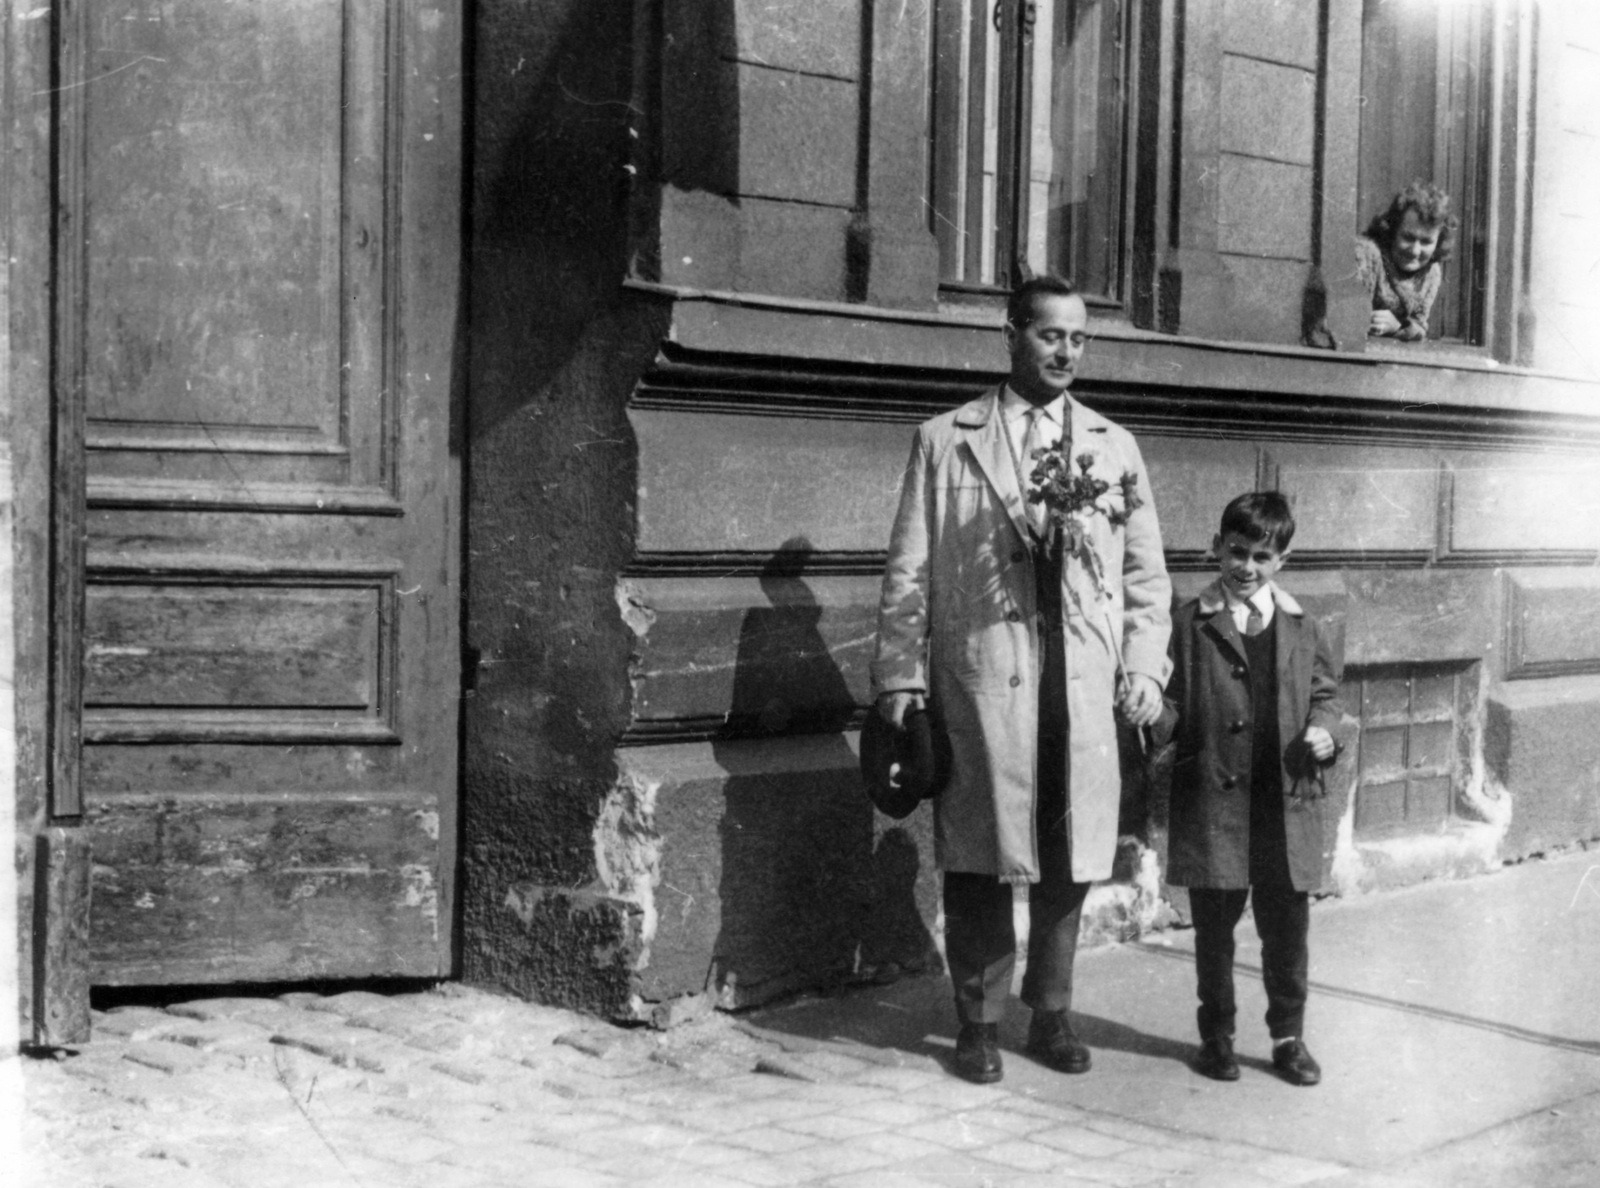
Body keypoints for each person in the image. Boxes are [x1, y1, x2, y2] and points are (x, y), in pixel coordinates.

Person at [871, 275, 1172, 1085]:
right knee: (979, 852)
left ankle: (1054, 1010)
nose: (1067, 350)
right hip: (985, 677)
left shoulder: (1113, 445)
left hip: (1080, 681)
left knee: (1070, 855)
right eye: (1050, 335)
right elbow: (909, 572)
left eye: (1079, 338)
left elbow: (1147, 578)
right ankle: (977, 1021)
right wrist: (900, 676)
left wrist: (1144, 665)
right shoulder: (948, 439)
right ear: (1011, 335)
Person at [1160, 491, 1341, 1087]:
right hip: (1215, 803)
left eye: (1262, 556)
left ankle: (1289, 1037)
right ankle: (1218, 1038)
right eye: (1236, 552)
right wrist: (1149, 716)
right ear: (1216, 547)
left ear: (1281, 560)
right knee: (1214, 934)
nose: (1246, 567)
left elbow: (1327, 697)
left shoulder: (1301, 625)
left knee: (1286, 935)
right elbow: (1168, 703)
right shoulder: (1188, 624)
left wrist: (1325, 733)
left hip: (1283, 805)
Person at [1355, 182, 1458, 341]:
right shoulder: (1366, 254)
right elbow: (1350, 321)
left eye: (1426, 242)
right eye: (1408, 237)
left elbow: (1419, 326)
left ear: (1439, 242)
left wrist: (1397, 327)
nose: (1415, 251)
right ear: (1392, 230)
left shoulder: (1431, 271)